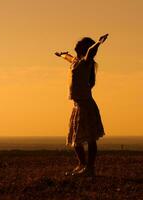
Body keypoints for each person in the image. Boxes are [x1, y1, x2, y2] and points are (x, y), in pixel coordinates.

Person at [55, 34, 108, 177]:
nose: (76, 43)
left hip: (86, 105)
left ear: (85, 48)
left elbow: (91, 52)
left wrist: (98, 43)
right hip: (77, 105)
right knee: (75, 139)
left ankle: (90, 168)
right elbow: (69, 58)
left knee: (90, 138)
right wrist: (62, 55)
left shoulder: (86, 62)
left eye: (80, 43)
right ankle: (82, 165)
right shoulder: (76, 62)